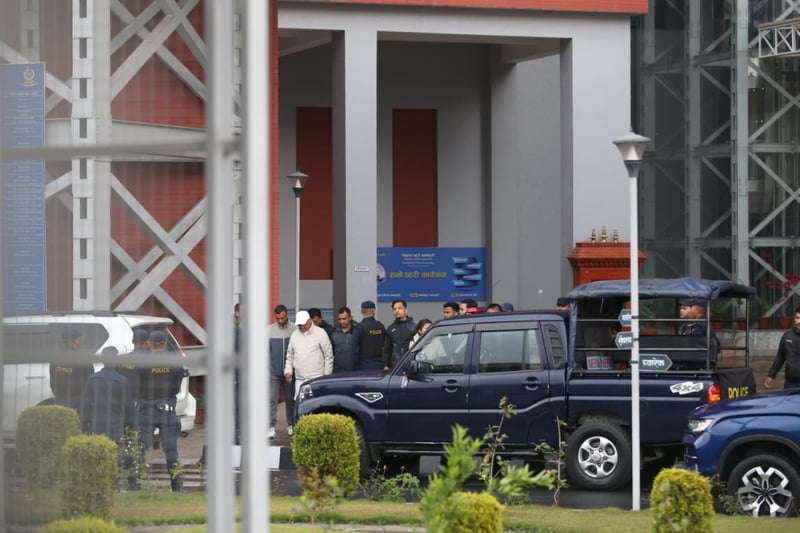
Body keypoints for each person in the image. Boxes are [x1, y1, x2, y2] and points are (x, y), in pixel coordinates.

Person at [137, 330, 184, 492]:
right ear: (164, 343)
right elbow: (178, 385)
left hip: (146, 408)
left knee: (142, 447)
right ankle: (175, 484)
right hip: (166, 408)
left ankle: (137, 482)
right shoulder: (174, 361)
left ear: (149, 343)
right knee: (170, 449)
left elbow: (138, 384)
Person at [81, 347, 136, 444]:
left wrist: (84, 426)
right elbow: (129, 408)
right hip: (115, 429)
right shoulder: (122, 381)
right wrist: (132, 428)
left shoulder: (92, 379)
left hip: (95, 428)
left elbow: (86, 406)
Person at [284, 310, 334, 401]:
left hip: (316, 378)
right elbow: (290, 355)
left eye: (303, 324)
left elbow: (328, 355)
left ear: (309, 321)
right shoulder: (294, 335)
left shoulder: (321, 333)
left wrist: (326, 375)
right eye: (300, 325)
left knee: (317, 403)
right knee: (301, 404)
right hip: (300, 378)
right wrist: (288, 371)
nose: (302, 327)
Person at [269, 304, 297, 438]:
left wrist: (292, 369)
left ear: (287, 316)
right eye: (278, 318)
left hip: (289, 372)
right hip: (273, 371)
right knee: (271, 399)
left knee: (290, 399)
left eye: (283, 318)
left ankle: (291, 424)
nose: (280, 321)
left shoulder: (295, 330)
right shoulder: (269, 330)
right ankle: (270, 426)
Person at [50, 329, 94, 412]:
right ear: (73, 341)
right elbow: (89, 380)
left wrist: (59, 395)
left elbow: (52, 382)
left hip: (60, 399)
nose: (79, 341)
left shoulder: (55, 358)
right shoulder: (84, 358)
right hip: (78, 400)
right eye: (78, 339)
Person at [765, 306, 800, 389]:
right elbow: (780, 357)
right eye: (797, 318)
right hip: (790, 383)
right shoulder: (787, 336)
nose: (799, 321)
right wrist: (771, 375)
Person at [383, 299, 416, 369]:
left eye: (400, 308)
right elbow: (387, 349)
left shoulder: (414, 326)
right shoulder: (390, 328)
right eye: (394, 309)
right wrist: (386, 364)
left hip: (411, 365)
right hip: (395, 368)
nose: (397, 311)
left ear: (406, 310)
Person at [356, 300, 386, 370]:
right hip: (379, 364)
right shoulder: (381, 326)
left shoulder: (359, 328)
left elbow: (354, 350)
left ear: (362, 312)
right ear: (374, 311)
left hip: (363, 365)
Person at [330, 306, 361, 373]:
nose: (342, 321)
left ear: (350, 318)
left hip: (355, 371)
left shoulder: (358, 331)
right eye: (339, 319)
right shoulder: (333, 332)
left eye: (344, 319)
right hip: (338, 371)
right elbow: (331, 353)